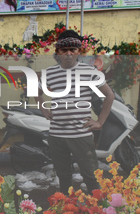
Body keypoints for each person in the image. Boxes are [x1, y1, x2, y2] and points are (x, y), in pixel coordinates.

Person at [35, 30, 115, 194]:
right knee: (63, 177)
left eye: (73, 49)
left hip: (81, 134)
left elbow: (109, 95)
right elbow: (35, 92)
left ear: (79, 51)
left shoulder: (90, 72)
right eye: (64, 50)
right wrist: (43, 110)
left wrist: (100, 122)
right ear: (58, 52)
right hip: (57, 134)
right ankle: (66, 209)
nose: (69, 54)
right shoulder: (50, 73)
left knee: (91, 176)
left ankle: (97, 212)